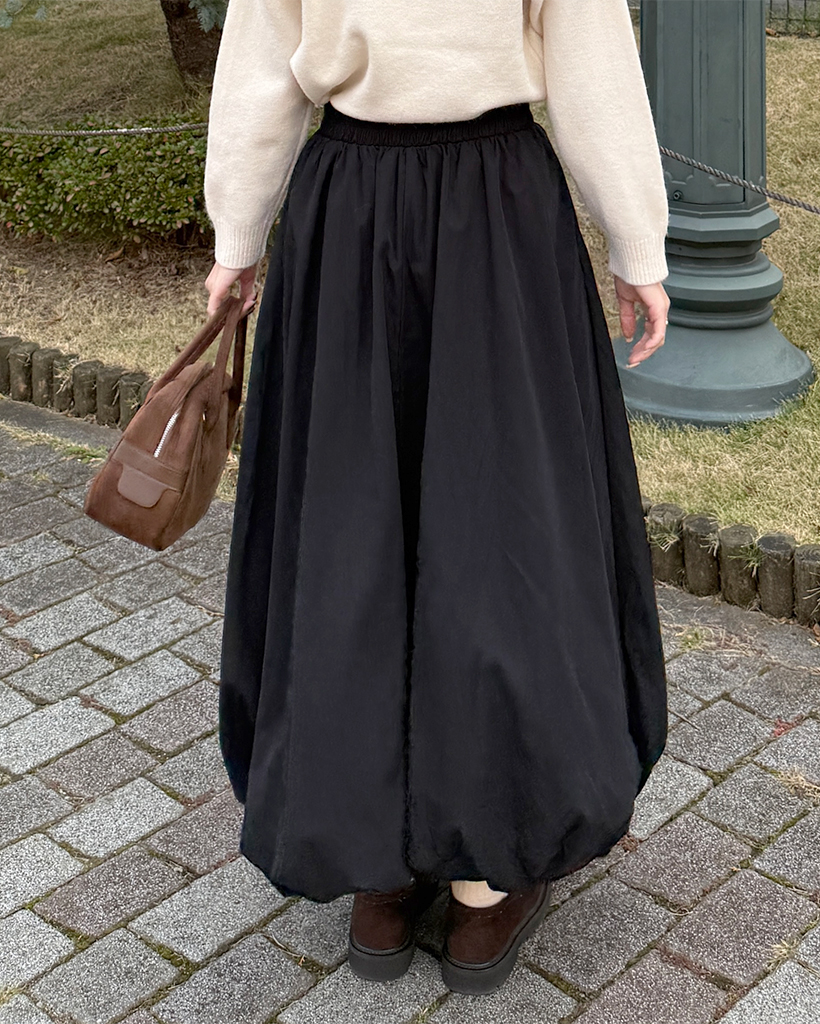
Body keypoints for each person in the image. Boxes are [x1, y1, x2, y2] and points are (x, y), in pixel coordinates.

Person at [202, 0, 670, 996]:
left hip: (348, 210)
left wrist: (237, 237)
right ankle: (481, 884)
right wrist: (638, 245)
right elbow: (588, 62)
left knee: (350, 528)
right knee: (500, 526)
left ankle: (374, 869)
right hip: (497, 211)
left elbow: (263, 61)